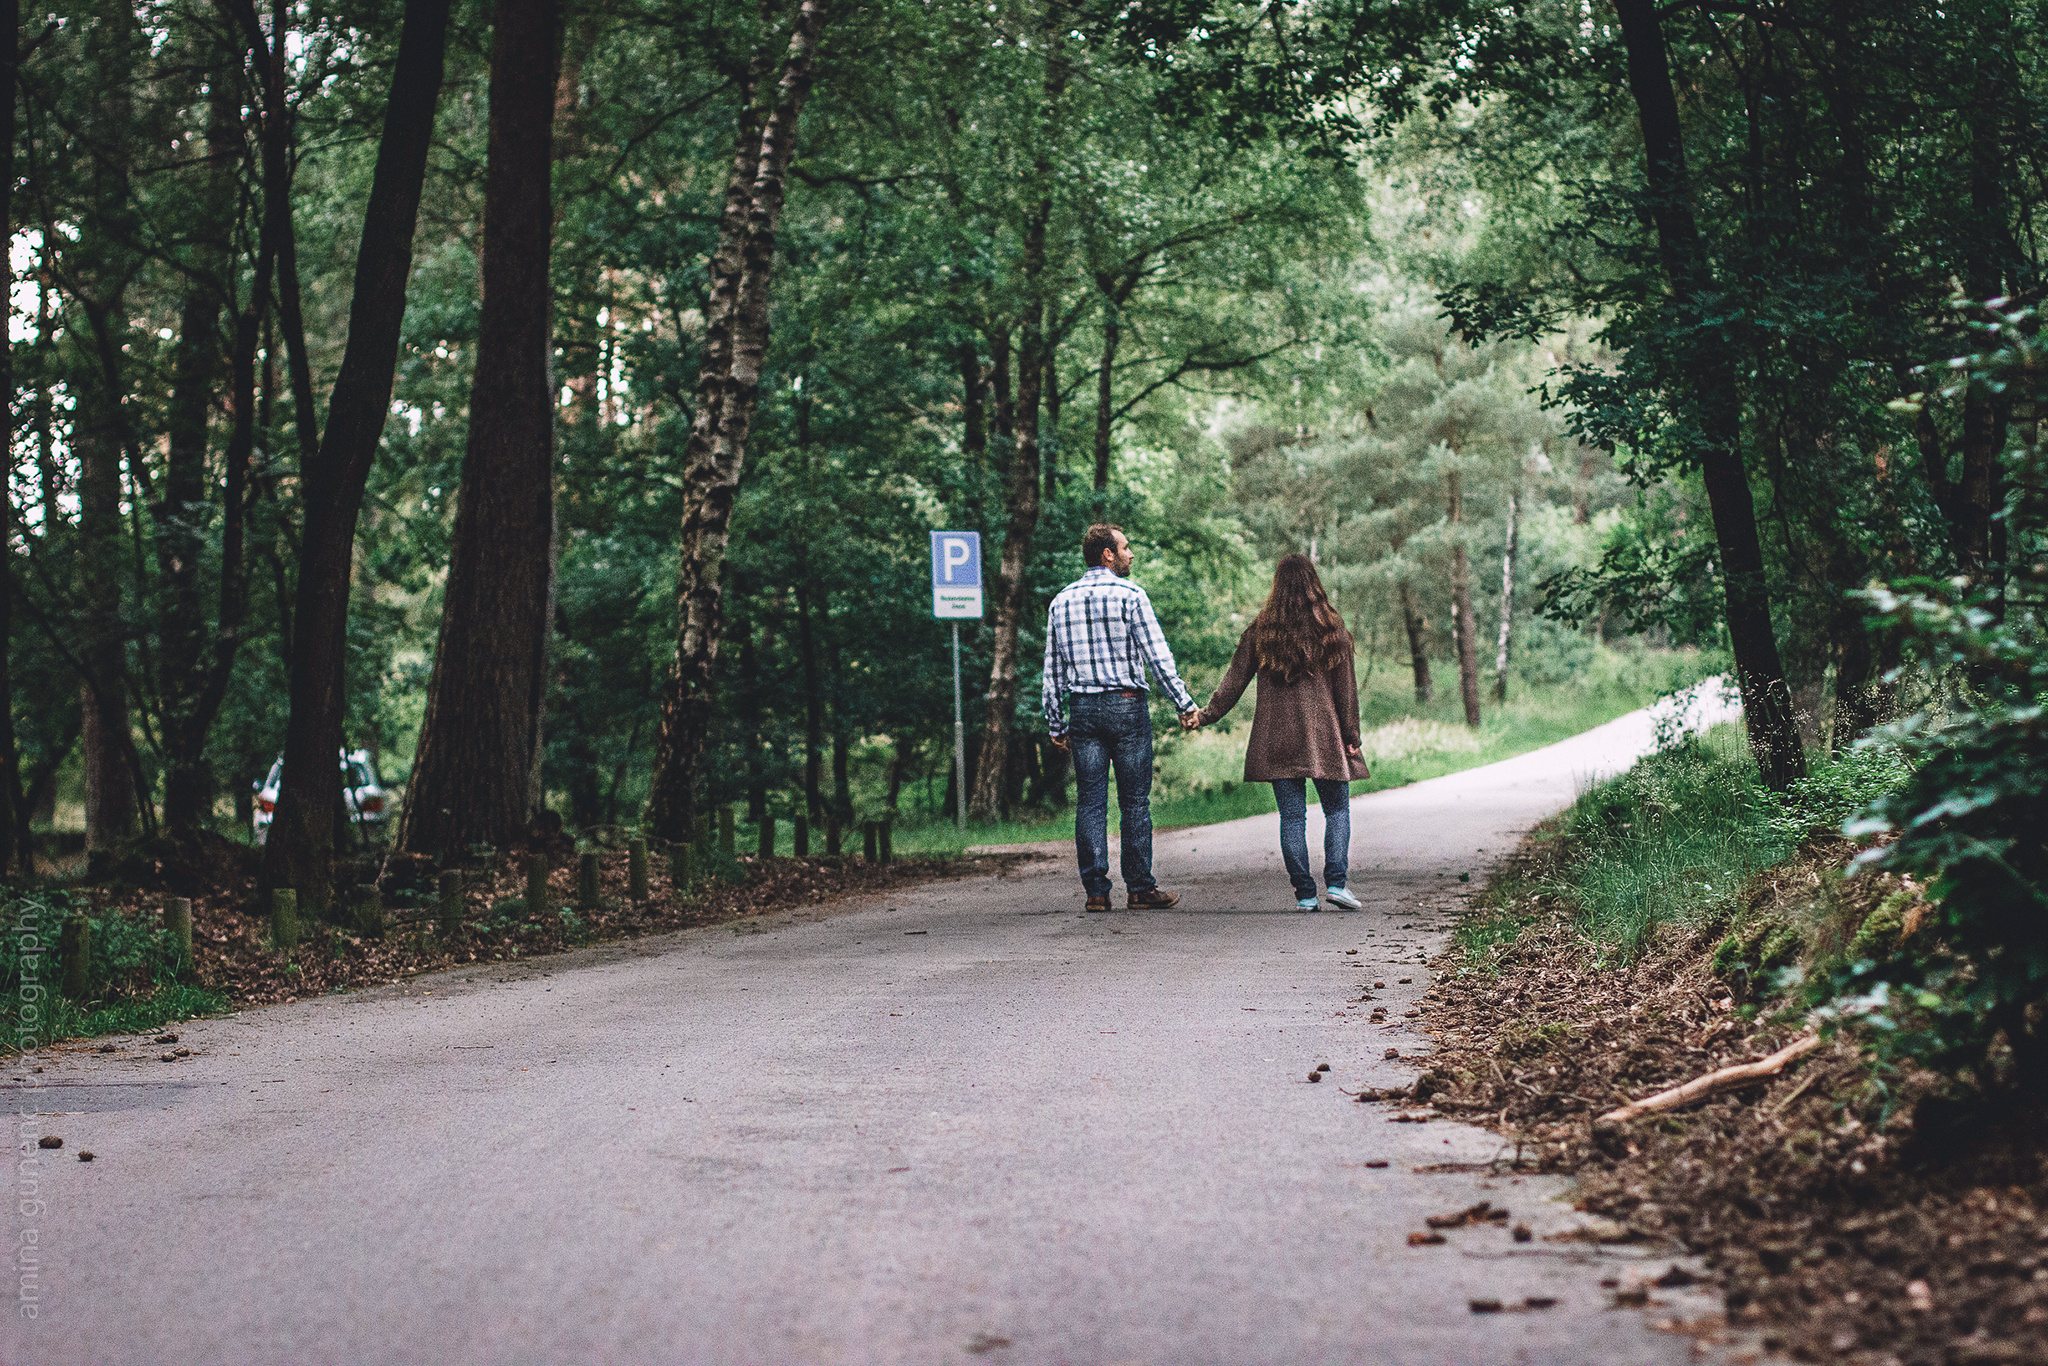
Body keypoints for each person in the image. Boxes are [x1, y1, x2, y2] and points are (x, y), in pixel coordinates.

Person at [1195, 554, 1370, 911]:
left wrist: (1206, 715)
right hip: (1324, 736)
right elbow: (1346, 690)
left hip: (1278, 738)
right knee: (1336, 810)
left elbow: (1233, 683)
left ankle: (1305, 894)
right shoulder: (1331, 627)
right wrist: (1351, 734)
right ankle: (1336, 884)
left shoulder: (1263, 630)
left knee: (1292, 817)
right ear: (1313, 584)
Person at [1043, 523, 1202, 912]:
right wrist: (1184, 704)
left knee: (1091, 802)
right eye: (1126, 548)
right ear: (1107, 554)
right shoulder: (1131, 595)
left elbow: (1052, 671)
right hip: (1127, 707)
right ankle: (1140, 888)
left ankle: (1096, 892)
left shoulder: (1061, 601)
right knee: (1134, 801)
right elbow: (1157, 656)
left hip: (1083, 709)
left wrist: (1055, 723)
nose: (1131, 554)